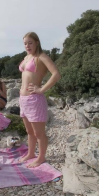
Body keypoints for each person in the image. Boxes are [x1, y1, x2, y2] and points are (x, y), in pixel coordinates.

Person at [18, 31, 61, 168]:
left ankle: (41, 157)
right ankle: (31, 153)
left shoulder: (41, 57)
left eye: (30, 43)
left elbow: (56, 74)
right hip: (23, 100)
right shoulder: (26, 57)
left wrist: (41, 89)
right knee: (29, 131)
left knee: (39, 133)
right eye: (25, 43)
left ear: (37, 42)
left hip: (34, 100)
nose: (27, 45)